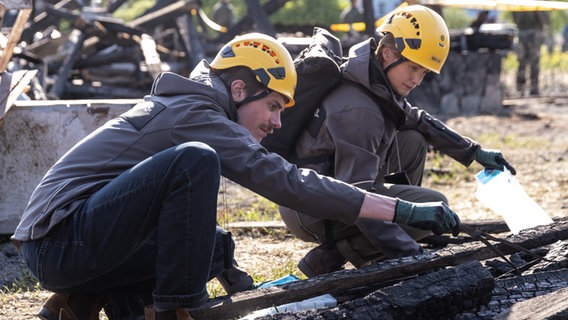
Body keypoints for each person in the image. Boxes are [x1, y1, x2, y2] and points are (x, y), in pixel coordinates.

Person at [11, 32, 461, 320]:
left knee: (214, 245)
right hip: (59, 243)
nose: (278, 123)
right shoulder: (197, 115)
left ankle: (81, 302)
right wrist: (398, 207)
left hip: (76, 247)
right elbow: (287, 180)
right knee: (195, 160)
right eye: (274, 106)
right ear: (240, 89)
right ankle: (176, 311)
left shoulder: (199, 108)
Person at [278, 5, 516, 278]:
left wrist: (473, 151)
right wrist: (415, 257)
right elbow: (358, 199)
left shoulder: (371, 76)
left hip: (331, 184)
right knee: (435, 202)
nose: (417, 80)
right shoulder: (360, 110)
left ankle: (386, 239)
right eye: (413, 68)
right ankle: (337, 252)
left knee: (413, 140)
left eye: (424, 72)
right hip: (311, 210)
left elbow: (414, 118)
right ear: (388, 53)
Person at [512, 10, 549, 96]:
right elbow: (544, 20)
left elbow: (515, 18)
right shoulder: (535, 5)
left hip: (522, 34)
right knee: (533, 63)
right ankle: (533, 88)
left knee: (522, 63)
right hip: (533, 35)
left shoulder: (518, 5)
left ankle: (521, 88)